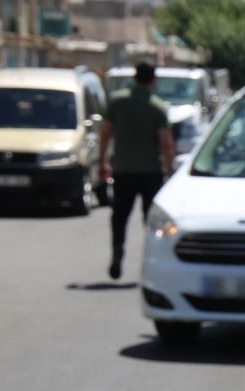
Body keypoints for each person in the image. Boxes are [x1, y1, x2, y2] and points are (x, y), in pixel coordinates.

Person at [99, 62, 174, 281]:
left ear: (134, 78)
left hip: (123, 170)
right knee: (150, 220)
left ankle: (117, 251)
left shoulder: (117, 102)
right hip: (150, 172)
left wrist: (102, 162)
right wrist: (169, 171)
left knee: (119, 216)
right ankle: (151, 261)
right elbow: (166, 143)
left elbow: (105, 134)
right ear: (153, 81)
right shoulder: (158, 107)